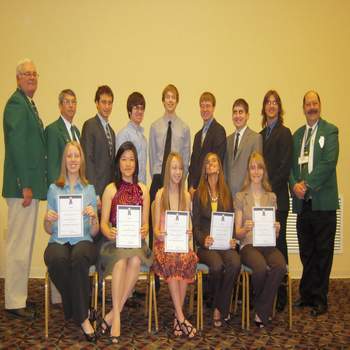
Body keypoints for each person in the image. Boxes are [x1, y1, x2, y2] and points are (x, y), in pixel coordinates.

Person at [3, 59, 47, 319]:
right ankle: (13, 302)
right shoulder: (16, 104)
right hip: (22, 189)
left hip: (28, 188)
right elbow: (17, 147)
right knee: (18, 245)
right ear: (17, 78)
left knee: (25, 245)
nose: (31, 77)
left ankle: (18, 297)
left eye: (34, 73)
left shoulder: (28, 104)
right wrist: (25, 185)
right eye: (26, 74)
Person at [43, 142, 99, 342]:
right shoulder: (53, 189)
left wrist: (94, 217)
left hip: (83, 239)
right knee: (56, 260)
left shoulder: (89, 189)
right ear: (64, 161)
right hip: (58, 239)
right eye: (69, 156)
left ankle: (77, 314)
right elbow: (48, 228)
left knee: (79, 257)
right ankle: (81, 312)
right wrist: (47, 219)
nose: (73, 160)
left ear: (81, 160)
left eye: (77, 156)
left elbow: (94, 231)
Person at [290, 91, 339, 317]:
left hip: (322, 204)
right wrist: (294, 185)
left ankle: (320, 299)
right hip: (303, 205)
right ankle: (307, 293)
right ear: (303, 107)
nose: (311, 107)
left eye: (314, 103)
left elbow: (328, 164)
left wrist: (306, 184)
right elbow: (291, 167)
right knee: (306, 252)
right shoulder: (298, 135)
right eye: (307, 103)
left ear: (320, 105)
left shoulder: (330, 131)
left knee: (322, 252)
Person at [98, 141, 152, 343]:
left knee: (136, 261)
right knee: (121, 262)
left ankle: (113, 314)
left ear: (136, 163)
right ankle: (118, 317)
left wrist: (145, 229)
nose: (128, 164)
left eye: (132, 159)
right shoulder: (110, 189)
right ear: (118, 162)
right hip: (115, 243)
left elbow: (145, 224)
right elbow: (103, 224)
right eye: (124, 159)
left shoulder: (143, 189)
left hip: (136, 243)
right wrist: (108, 231)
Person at [234, 151, 286, 327]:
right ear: (248, 171)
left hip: (267, 244)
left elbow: (275, 233)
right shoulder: (241, 196)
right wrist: (245, 228)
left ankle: (261, 309)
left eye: (259, 168)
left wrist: (277, 228)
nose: (256, 172)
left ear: (264, 171)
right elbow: (237, 233)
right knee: (261, 268)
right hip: (248, 245)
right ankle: (264, 311)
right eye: (252, 168)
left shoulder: (271, 197)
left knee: (280, 265)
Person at [152, 152, 198, 338]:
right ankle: (181, 316)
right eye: (174, 168)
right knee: (172, 260)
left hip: (180, 244)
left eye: (180, 168)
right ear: (167, 170)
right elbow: (155, 229)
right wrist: (160, 235)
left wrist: (188, 233)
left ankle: (177, 318)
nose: (178, 172)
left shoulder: (186, 196)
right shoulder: (160, 194)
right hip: (163, 244)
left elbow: (189, 226)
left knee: (186, 258)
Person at [192, 152, 241, 326]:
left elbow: (232, 220)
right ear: (205, 169)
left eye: (214, 161)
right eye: (208, 162)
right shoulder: (198, 194)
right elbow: (195, 226)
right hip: (206, 246)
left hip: (224, 244)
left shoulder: (226, 193)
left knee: (235, 262)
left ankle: (220, 306)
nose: (211, 163)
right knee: (217, 265)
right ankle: (219, 306)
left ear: (219, 167)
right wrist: (203, 239)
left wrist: (233, 239)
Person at [260, 90, 293, 312]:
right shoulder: (261, 135)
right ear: (264, 108)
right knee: (264, 247)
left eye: (275, 102)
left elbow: (285, 166)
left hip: (278, 200)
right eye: (268, 103)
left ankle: (282, 295)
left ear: (279, 108)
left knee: (279, 247)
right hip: (261, 202)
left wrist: (268, 189)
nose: (271, 106)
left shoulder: (285, 133)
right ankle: (266, 291)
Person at [149, 84, 191, 249]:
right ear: (163, 100)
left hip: (177, 180)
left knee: (176, 221)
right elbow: (152, 157)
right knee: (157, 223)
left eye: (173, 97)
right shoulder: (155, 126)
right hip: (159, 178)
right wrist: (158, 176)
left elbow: (186, 159)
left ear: (177, 101)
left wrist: (179, 179)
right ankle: (156, 259)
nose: (170, 100)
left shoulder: (184, 128)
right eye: (167, 97)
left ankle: (177, 253)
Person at [81, 85, 116, 209]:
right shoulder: (90, 125)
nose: (107, 106)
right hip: (94, 192)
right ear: (97, 103)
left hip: (107, 192)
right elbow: (87, 160)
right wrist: (94, 193)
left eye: (110, 103)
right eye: (103, 102)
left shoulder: (111, 132)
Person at [188, 92, 226, 199]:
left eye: (208, 106)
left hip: (210, 188)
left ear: (213, 108)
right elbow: (193, 164)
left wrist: (204, 188)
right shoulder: (197, 136)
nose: (205, 109)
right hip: (195, 190)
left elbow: (217, 162)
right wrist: (191, 186)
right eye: (202, 106)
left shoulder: (219, 131)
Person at [224, 98, 262, 199]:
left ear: (247, 116)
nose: (237, 116)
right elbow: (225, 169)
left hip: (247, 196)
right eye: (235, 112)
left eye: (241, 112)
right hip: (229, 197)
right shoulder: (227, 140)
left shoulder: (256, 138)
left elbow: (256, 171)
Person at [46, 89, 80, 184]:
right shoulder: (53, 130)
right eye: (67, 102)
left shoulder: (76, 131)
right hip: (61, 188)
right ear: (60, 106)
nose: (71, 105)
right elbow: (52, 167)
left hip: (76, 187)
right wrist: (56, 190)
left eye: (73, 102)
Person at [115, 91, 147, 185]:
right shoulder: (124, 134)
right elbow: (120, 164)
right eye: (136, 108)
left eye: (142, 108)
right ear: (129, 111)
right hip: (126, 186)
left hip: (141, 186)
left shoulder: (144, 139)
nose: (139, 111)